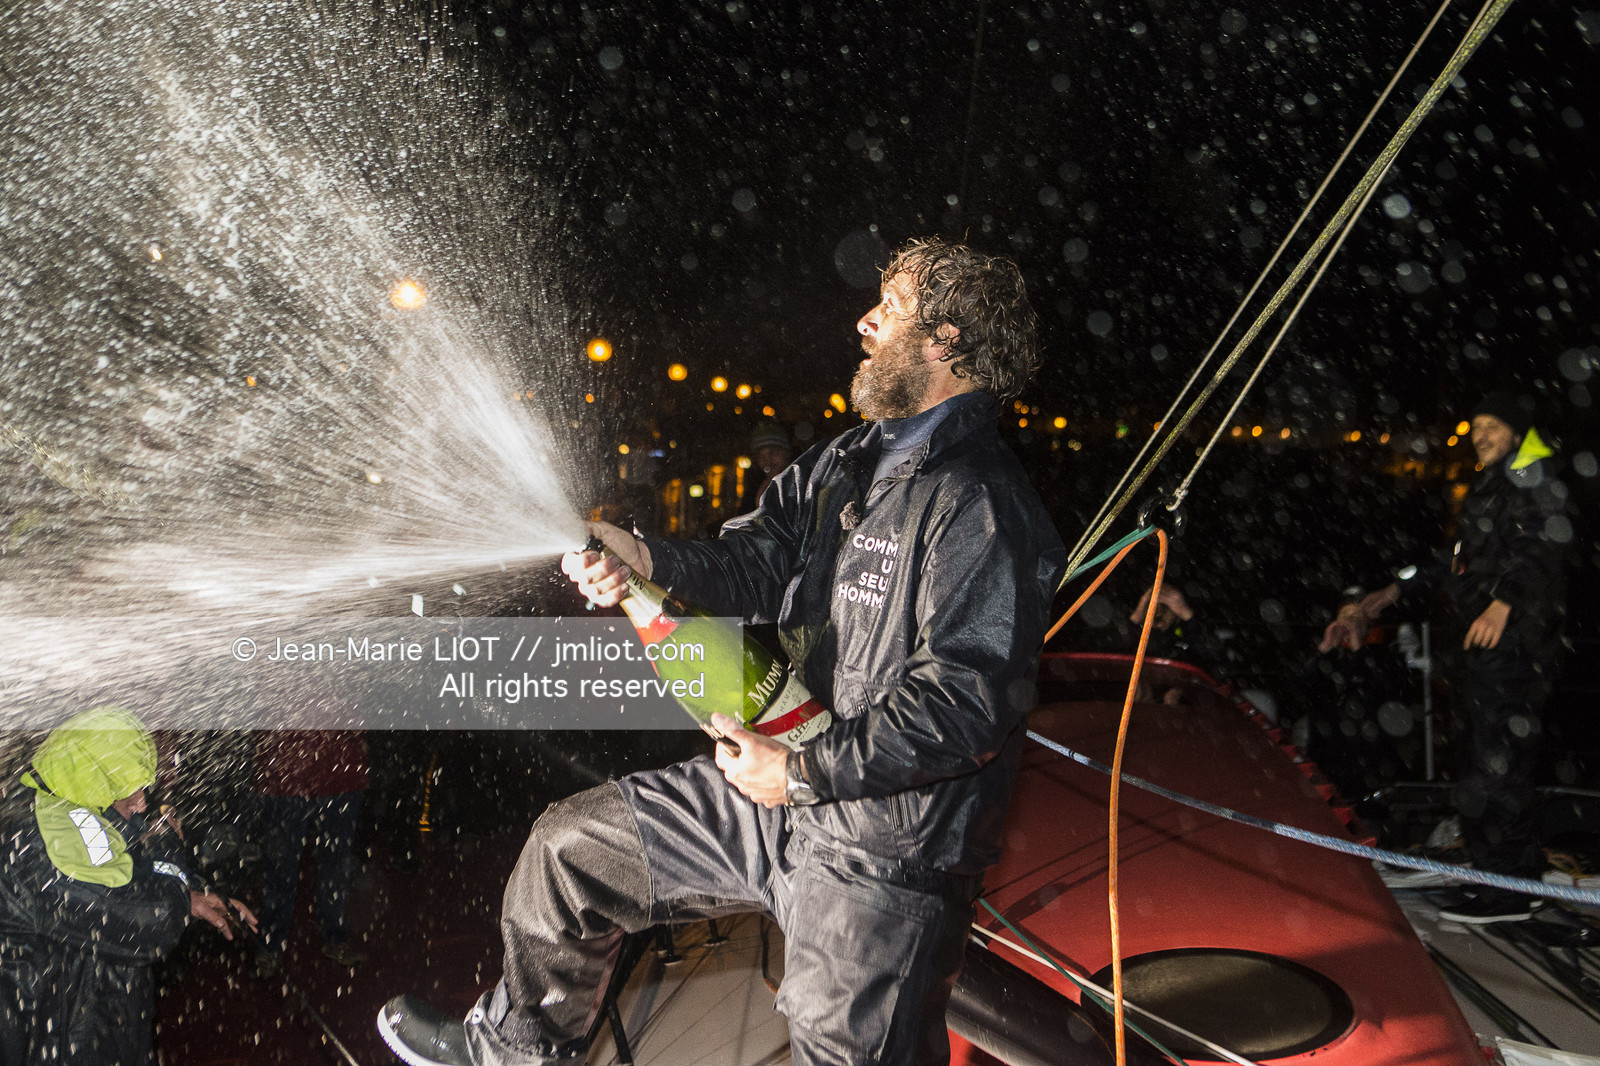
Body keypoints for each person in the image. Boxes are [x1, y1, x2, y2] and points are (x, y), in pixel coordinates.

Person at [378, 237, 1066, 1066]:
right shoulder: (848, 461)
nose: (866, 318)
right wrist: (645, 557)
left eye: (893, 305)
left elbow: (967, 702)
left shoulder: (981, 503)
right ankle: (512, 1051)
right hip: (772, 804)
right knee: (571, 855)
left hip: (882, 854)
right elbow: (753, 557)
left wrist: (804, 772)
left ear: (946, 338)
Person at [1318, 392, 1569, 923]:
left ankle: (1512, 891)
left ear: (1518, 430)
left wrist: (1503, 604)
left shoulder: (1534, 480)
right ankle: (1491, 875)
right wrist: (1390, 592)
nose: (1480, 434)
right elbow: (1453, 562)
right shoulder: (1490, 487)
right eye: (1475, 426)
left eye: (1492, 425)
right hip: (1481, 658)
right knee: (1479, 765)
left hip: (1515, 652)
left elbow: (1542, 550)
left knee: (1498, 768)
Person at [0, 706, 257, 1065]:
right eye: (129, 789)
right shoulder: (49, 840)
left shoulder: (69, 797)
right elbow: (152, 925)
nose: (140, 803)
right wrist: (168, 847)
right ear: (96, 774)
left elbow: (129, 860)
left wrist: (193, 892)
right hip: (61, 1040)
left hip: (91, 1024)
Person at [252, 727, 369, 971]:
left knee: (335, 862)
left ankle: (334, 936)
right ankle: (270, 942)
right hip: (288, 771)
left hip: (339, 770)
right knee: (281, 865)